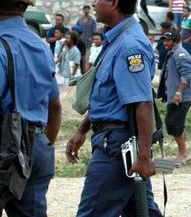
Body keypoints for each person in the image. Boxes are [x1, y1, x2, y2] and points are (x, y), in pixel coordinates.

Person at [65, 1, 163, 216]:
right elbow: (109, 97)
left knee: (92, 212)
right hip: (114, 140)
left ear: (113, 3)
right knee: (141, 211)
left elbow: (142, 102)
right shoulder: (116, 39)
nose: (93, 3)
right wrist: (82, 130)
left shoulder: (130, 45)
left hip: (117, 145)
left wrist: (144, 156)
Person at [0, 0, 62, 216]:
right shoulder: (41, 45)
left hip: (1, 146)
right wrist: (44, 145)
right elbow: (55, 107)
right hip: (36, 144)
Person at [162, 31, 191, 166]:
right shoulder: (172, 54)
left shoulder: (181, 55)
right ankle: (183, 153)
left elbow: (185, 76)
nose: (165, 43)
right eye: (164, 40)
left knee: (173, 124)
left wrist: (179, 93)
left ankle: (183, 154)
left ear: (174, 41)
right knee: (176, 125)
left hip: (180, 98)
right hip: (173, 97)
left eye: (168, 40)